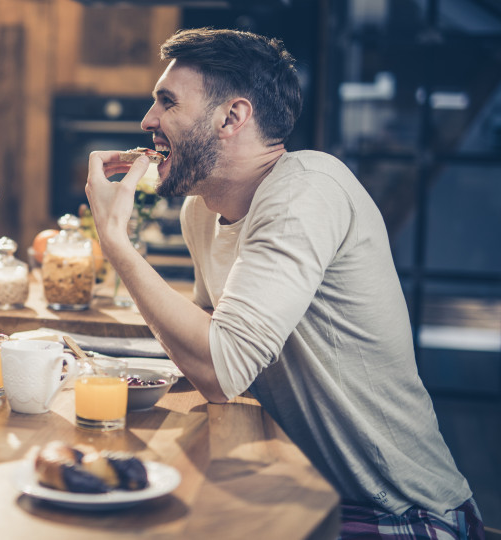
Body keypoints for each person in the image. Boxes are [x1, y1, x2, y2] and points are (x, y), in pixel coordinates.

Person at [85, 28, 483, 539]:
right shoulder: (200, 213)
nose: (148, 121)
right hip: (305, 490)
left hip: (397, 512)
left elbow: (219, 367)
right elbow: (208, 338)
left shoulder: (307, 187)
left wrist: (117, 244)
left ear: (232, 117)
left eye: (166, 102)